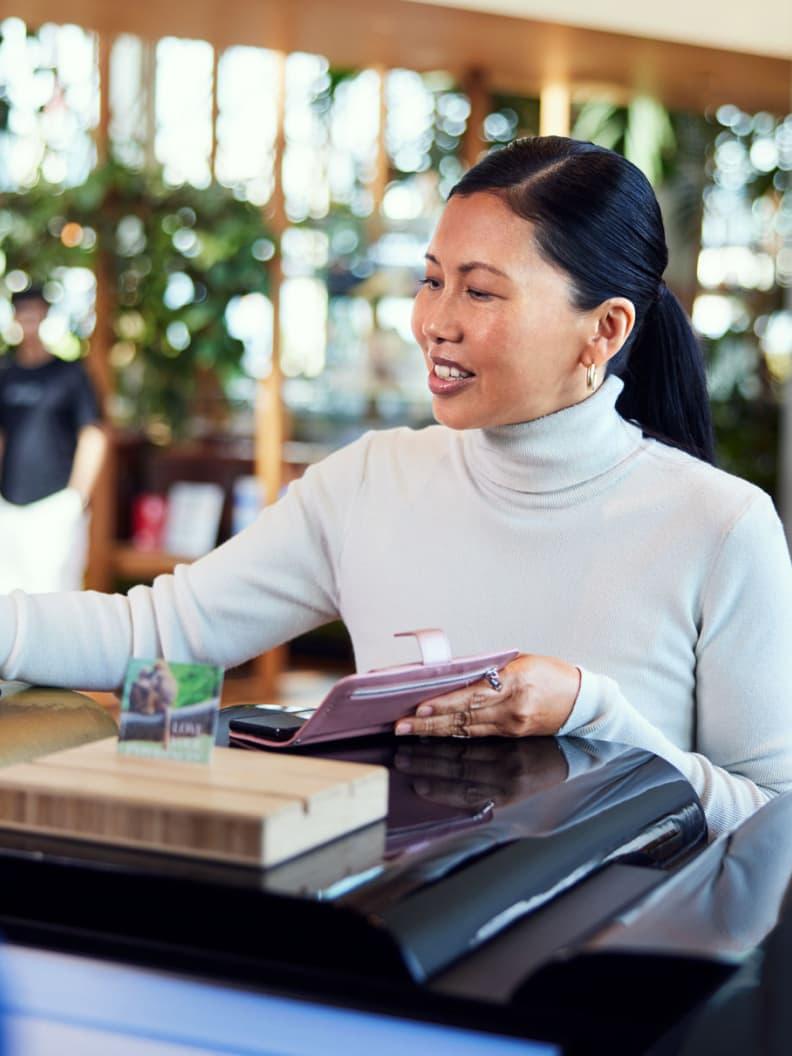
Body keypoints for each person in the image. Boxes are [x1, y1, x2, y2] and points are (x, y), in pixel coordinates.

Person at [1, 137, 791, 836]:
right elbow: (160, 638)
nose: (433, 322)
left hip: (614, 987)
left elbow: (771, 826)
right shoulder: (370, 481)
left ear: (606, 329)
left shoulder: (719, 526)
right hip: (391, 950)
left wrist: (591, 711)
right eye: (432, 279)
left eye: (480, 291)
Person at [0, 286, 107, 592]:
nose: (29, 320)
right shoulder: (5, 374)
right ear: (15, 318)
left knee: (55, 595)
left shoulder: (70, 374)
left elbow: (93, 434)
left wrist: (76, 498)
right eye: (23, 313)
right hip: (8, 504)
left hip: (54, 503)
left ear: (45, 315)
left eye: (35, 312)